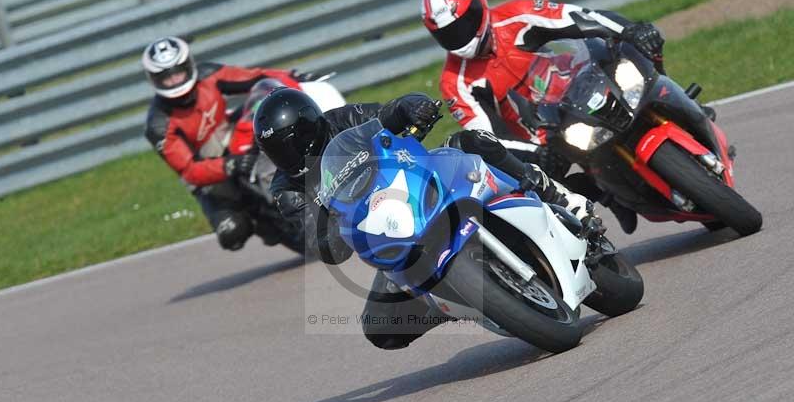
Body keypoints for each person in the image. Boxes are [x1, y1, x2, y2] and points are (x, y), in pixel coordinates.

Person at [254, 88, 598, 350]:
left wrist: (411, 106)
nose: (289, 156)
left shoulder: (344, 120)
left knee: (469, 141)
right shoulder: (287, 189)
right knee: (380, 329)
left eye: (293, 142)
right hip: (392, 234)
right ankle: (457, 302)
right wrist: (329, 237)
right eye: (277, 152)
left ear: (311, 126)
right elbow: (321, 244)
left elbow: (389, 113)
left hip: (421, 184)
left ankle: (552, 193)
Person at [421, 0, 670, 233]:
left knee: (638, 53)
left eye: (464, 22)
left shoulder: (517, 14)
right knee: (542, 187)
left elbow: (579, 17)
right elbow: (487, 135)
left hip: (586, 80)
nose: (460, 35)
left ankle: (682, 105)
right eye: (449, 33)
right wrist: (535, 153)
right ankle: (608, 198)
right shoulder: (455, 82)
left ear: (478, 5)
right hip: (548, 132)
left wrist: (629, 29)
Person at [142, 36, 321, 250]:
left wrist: (292, 78)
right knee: (232, 233)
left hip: (232, 139)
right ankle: (259, 220)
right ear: (154, 80)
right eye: (166, 78)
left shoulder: (208, 75)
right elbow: (189, 170)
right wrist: (230, 165)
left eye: (177, 72)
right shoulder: (158, 125)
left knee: (264, 113)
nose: (175, 81)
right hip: (210, 176)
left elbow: (256, 77)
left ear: (188, 65)